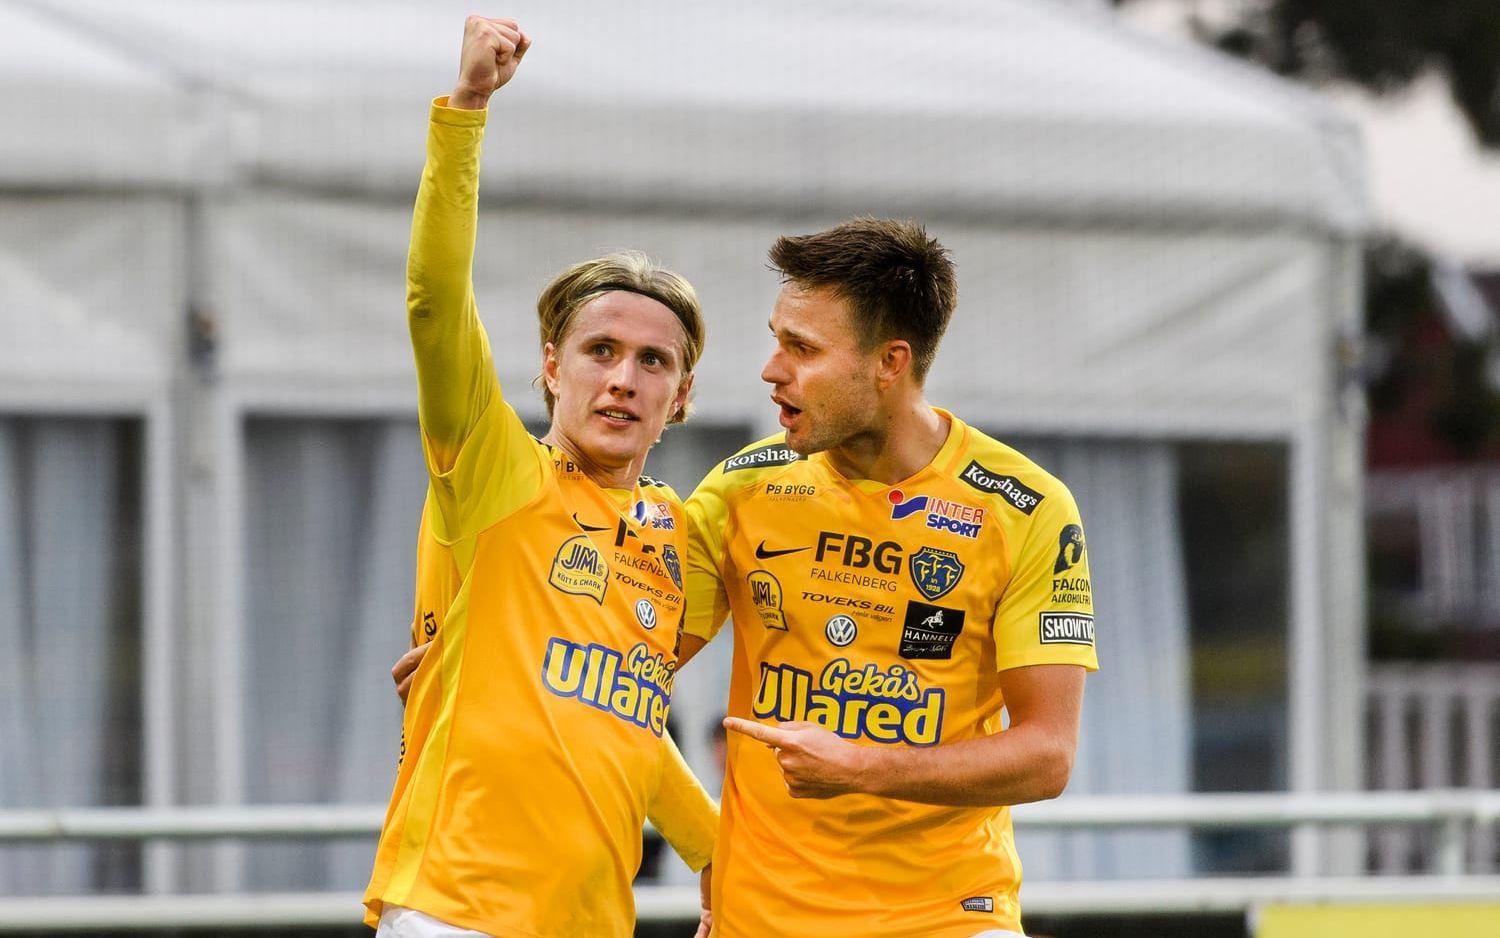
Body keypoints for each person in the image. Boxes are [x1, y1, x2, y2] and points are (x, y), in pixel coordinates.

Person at [362, 16, 717, 937]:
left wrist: (722, 856)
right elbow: (435, 306)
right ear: (553, 367)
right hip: (455, 913)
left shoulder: (674, 532)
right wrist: (467, 109)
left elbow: (627, 728)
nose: (623, 379)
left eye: (653, 362)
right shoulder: (496, 470)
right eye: (600, 350)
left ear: (681, 396)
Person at [676, 218, 1098, 937]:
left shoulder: (1026, 507)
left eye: (803, 348)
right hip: (763, 919)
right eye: (777, 340)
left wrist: (862, 767)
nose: (771, 370)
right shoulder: (742, 488)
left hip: (951, 917)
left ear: (889, 362)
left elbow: (1047, 756)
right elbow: (621, 675)